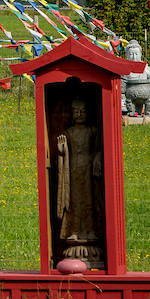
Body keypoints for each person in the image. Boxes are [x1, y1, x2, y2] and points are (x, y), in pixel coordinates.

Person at [56, 98, 103, 262]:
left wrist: (97, 158)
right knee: (74, 202)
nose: (80, 114)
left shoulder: (93, 131)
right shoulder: (68, 132)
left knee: (89, 201)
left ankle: (91, 230)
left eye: (83, 111)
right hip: (74, 171)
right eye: (76, 111)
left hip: (89, 171)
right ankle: (74, 231)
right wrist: (62, 150)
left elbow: (99, 150)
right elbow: (64, 153)